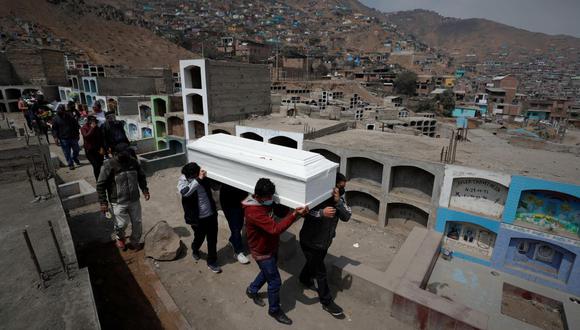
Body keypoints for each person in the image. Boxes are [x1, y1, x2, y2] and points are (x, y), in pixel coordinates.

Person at [243, 178, 308, 325]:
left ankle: (252, 290)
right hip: (262, 251)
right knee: (275, 281)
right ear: (258, 196)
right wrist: (294, 215)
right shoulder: (254, 211)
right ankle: (274, 310)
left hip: (270, 247)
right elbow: (274, 229)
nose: (271, 200)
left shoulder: (262, 202)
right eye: (268, 198)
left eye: (272, 196)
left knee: (266, 273)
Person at [299, 173, 351, 318]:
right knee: (320, 272)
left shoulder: (339, 197)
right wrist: (322, 213)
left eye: (342, 188)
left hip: (324, 241)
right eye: (339, 187)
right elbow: (304, 212)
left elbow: (347, 216)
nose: (341, 190)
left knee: (315, 263)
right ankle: (327, 302)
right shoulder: (316, 195)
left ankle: (303, 278)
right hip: (310, 241)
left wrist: (338, 201)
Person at [97, 143, 150, 250]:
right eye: (125, 153)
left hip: (134, 199)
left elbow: (141, 177)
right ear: (116, 153)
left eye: (128, 152)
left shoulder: (134, 162)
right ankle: (120, 238)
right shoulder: (109, 165)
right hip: (118, 201)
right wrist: (103, 202)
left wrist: (145, 190)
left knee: (137, 222)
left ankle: (135, 241)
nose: (127, 154)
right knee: (121, 224)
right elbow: (100, 185)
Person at [177, 162, 221, 273]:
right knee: (199, 238)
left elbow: (216, 186)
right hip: (197, 219)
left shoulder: (203, 177)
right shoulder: (183, 180)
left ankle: (211, 261)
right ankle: (195, 248)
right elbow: (185, 193)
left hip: (211, 215)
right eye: (192, 177)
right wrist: (198, 179)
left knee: (212, 239)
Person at [219, 183, 250, 264]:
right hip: (229, 202)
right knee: (235, 228)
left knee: (239, 225)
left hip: (242, 200)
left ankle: (232, 240)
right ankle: (238, 252)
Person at [52, 104, 81, 170]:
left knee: (77, 150)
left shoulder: (70, 117)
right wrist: (55, 138)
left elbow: (76, 125)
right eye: (59, 111)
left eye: (62, 111)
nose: (61, 112)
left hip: (73, 137)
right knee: (67, 152)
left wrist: (78, 134)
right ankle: (70, 164)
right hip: (63, 139)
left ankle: (74, 158)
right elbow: (54, 129)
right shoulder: (56, 119)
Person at [81, 115, 105, 180]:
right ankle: (98, 180)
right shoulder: (84, 128)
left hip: (98, 149)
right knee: (95, 166)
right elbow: (86, 137)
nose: (94, 122)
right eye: (92, 121)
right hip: (90, 151)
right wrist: (92, 128)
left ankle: (100, 177)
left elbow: (101, 138)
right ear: (89, 121)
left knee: (100, 165)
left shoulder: (97, 128)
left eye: (94, 121)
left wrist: (102, 148)